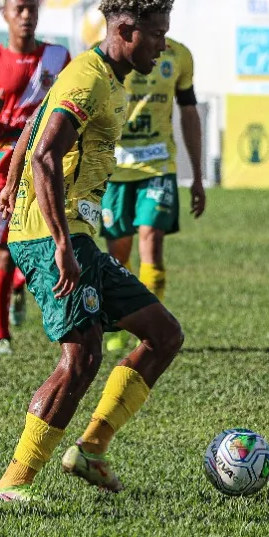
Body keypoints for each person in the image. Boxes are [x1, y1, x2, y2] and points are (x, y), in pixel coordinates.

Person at [0, 0, 184, 504]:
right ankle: (13, 485)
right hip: (52, 237)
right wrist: (58, 243)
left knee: (163, 334)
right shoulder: (91, 79)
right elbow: (49, 155)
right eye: (158, 34)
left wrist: (10, 180)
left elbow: (35, 123)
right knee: (80, 358)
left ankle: (91, 450)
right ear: (125, 29)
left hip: (76, 234)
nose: (163, 45)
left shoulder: (107, 77)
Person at [0, 0, 70, 355]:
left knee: (48, 239)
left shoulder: (57, 57)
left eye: (32, 9)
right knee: (3, 254)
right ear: (5, 16)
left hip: (41, 161)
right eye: (19, 9)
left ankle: (23, 287)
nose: (27, 15)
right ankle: (0, 335)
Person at [100, 37, 206, 353]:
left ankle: (151, 330)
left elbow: (189, 111)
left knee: (151, 238)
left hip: (159, 165)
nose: (160, 27)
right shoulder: (106, 55)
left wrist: (198, 175)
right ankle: (122, 321)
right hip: (115, 170)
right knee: (118, 255)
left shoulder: (179, 55)